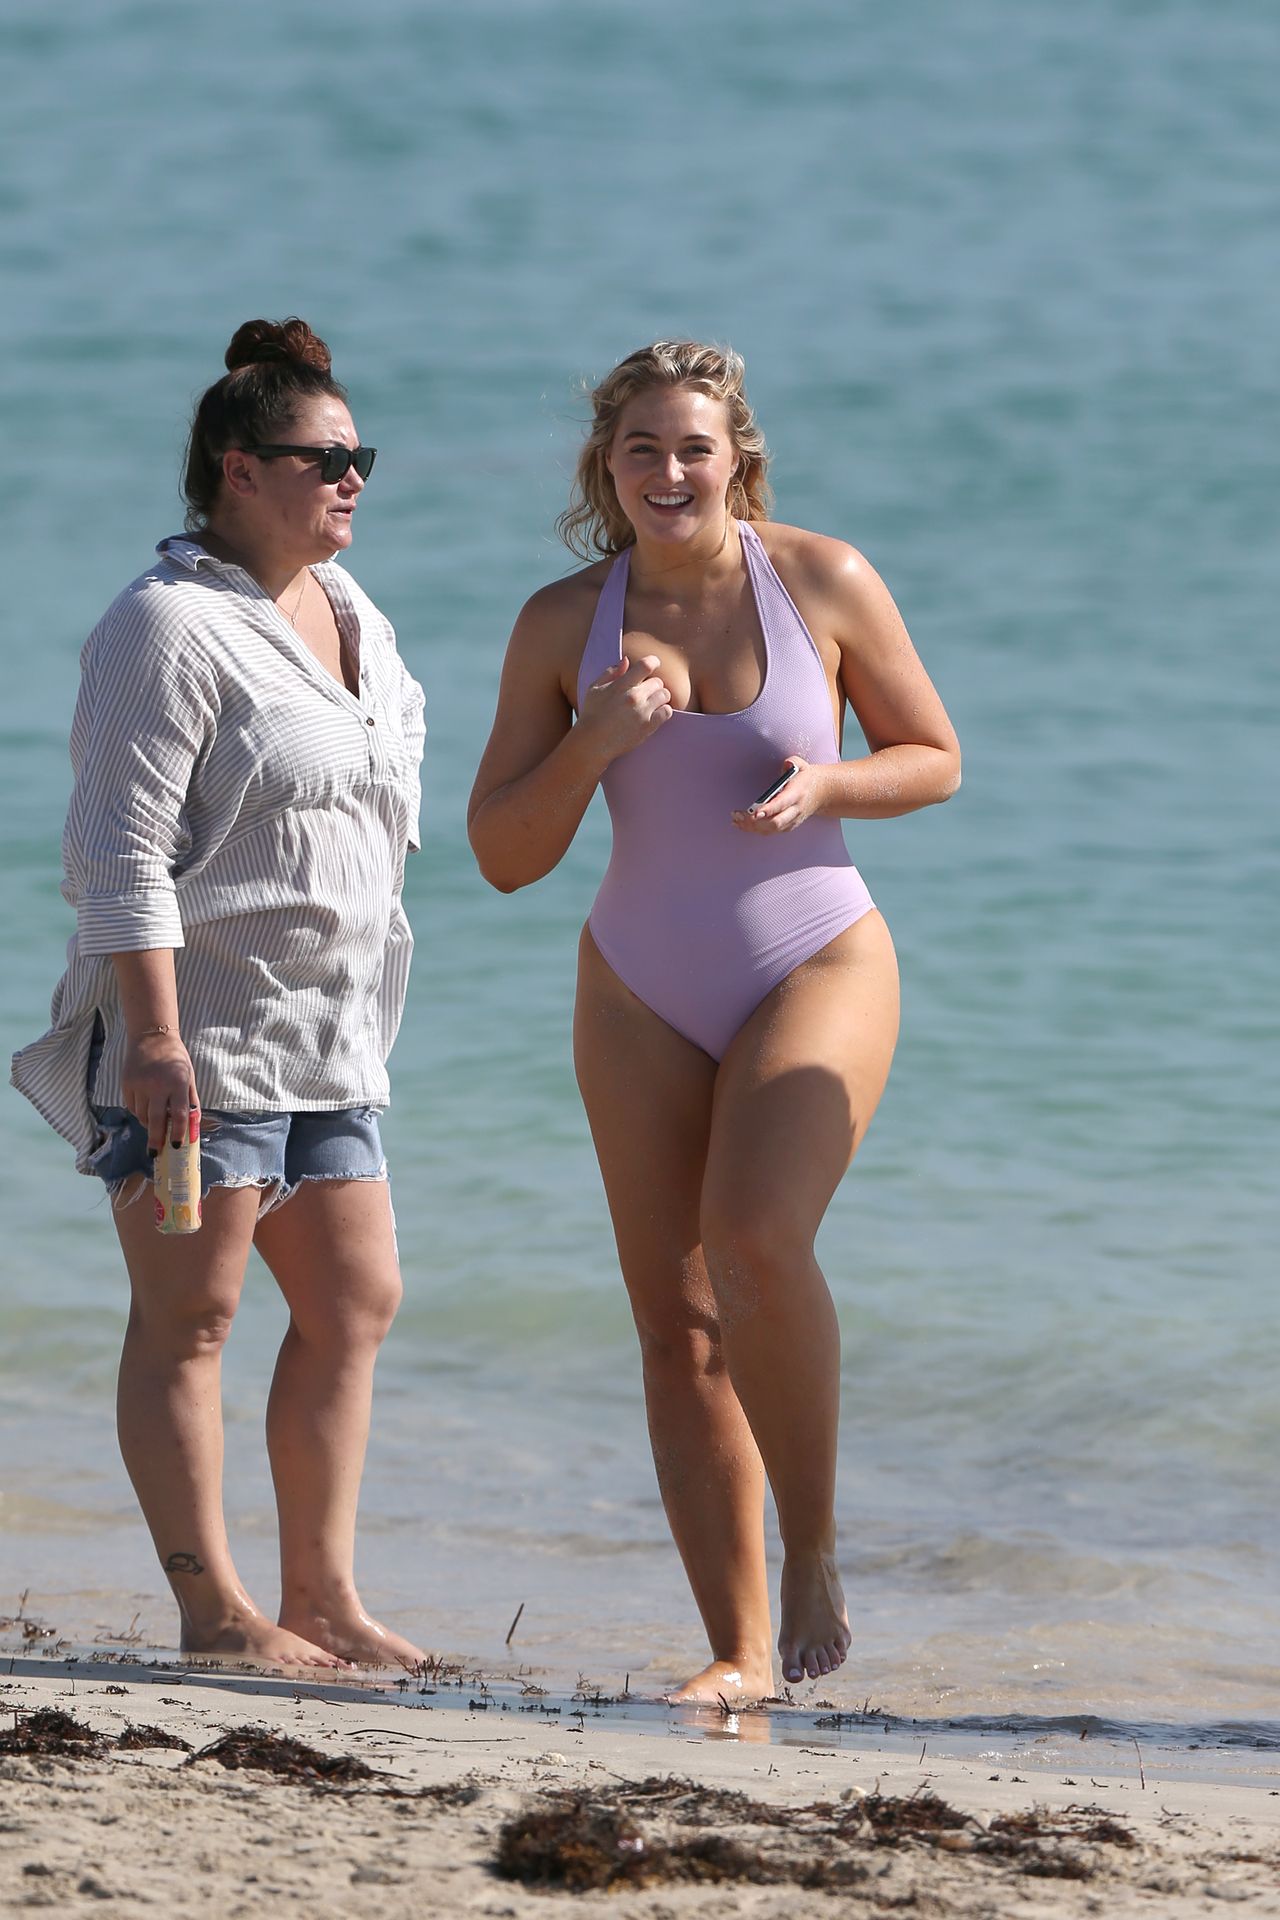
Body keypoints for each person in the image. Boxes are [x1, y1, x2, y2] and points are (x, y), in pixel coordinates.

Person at [468, 341, 960, 1701]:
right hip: (638, 981)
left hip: (818, 954)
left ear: (739, 455)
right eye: (642, 448)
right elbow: (503, 854)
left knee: (752, 1238)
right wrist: (594, 741)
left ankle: (814, 1549)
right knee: (677, 1326)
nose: (670, 471)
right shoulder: (561, 623)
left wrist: (829, 786)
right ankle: (738, 1652)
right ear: (605, 469)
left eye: (695, 446)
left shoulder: (823, 579)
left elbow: (936, 758)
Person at [12, 318, 427, 1672]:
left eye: (361, 458)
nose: (352, 478)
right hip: (200, 1038)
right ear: (238, 470)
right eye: (324, 459)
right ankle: (214, 1611)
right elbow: (116, 851)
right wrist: (154, 1038)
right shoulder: (165, 624)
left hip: (332, 1036)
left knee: (356, 1301)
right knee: (191, 1318)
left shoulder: (353, 614)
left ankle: (324, 1597)